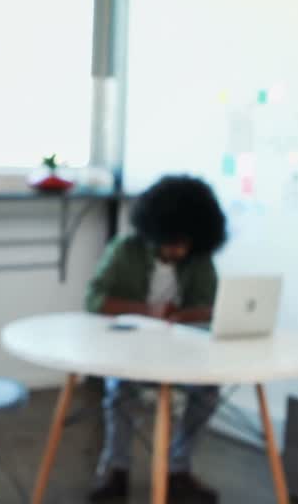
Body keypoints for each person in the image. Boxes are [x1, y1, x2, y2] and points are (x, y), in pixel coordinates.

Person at [85, 175, 229, 503]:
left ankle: (178, 470)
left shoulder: (199, 260)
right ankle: (116, 471)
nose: (179, 248)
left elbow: (209, 306)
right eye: (174, 240)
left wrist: (180, 317)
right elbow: (94, 300)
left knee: (208, 390)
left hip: (182, 353)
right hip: (129, 350)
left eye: (186, 242)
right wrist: (148, 311)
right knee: (119, 389)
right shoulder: (125, 251)